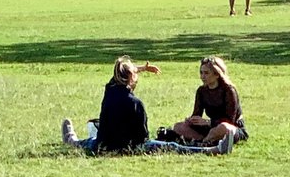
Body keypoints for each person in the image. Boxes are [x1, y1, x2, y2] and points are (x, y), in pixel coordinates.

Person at [60, 56, 233, 156]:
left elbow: (118, 73)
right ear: (132, 78)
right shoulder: (136, 104)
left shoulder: (109, 90)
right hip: (130, 147)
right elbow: (142, 136)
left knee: (87, 142)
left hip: (104, 144)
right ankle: (213, 150)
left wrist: (140, 68)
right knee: (172, 147)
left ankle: (71, 139)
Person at [171, 56, 244, 148]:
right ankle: (204, 141)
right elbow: (197, 114)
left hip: (231, 127)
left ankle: (204, 142)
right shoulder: (201, 91)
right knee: (178, 126)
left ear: (217, 74)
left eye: (206, 73)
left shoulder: (229, 90)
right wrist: (191, 120)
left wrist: (209, 122)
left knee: (223, 127)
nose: (202, 76)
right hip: (210, 128)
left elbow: (230, 120)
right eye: (201, 73)